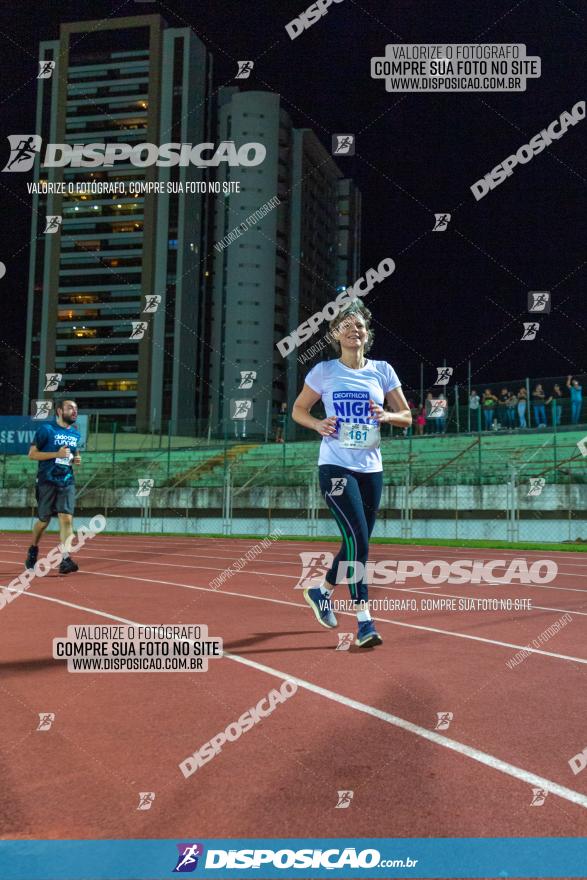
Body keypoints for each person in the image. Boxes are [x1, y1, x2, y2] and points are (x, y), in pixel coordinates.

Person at [292, 300, 411, 648]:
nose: (352, 330)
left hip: (371, 469)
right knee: (359, 540)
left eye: (358, 325)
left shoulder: (383, 370)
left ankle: (322, 590)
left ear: (366, 333)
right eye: (345, 326)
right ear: (334, 335)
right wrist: (317, 423)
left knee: (356, 541)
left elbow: (406, 415)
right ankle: (364, 622)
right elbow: (299, 409)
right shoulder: (324, 372)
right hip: (335, 466)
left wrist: (385, 416)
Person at [25, 398, 82, 574]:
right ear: (59, 411)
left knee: (67, 518)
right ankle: (33, 549)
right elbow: (32, 455)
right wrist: (55, 454)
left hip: (66, 481)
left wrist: (77, 459)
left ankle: (65, 559)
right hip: (46, 481)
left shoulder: (75, 433)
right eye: (70, 408)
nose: (74, 411)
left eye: (76, 408)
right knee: (44, 521)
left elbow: (73, 454)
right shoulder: (46, 430)